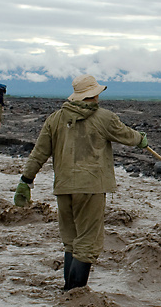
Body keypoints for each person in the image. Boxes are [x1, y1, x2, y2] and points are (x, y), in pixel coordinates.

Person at [13, 75, 149, 291]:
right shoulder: (105, 117)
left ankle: (67, 293)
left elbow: (38, 154)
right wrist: (142, 139)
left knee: (71, 241)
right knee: (86, 243)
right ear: (93, 94)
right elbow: (129, 137)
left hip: (64, 188)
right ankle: (75, 297)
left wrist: (25, 181)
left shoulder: (55, 119)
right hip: (92, 188)